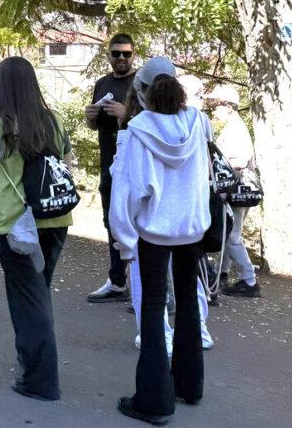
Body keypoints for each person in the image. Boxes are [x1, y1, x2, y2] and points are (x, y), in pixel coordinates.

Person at [109, 57, 212, 424]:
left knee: (153, 308)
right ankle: (189, 385)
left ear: (142, 93)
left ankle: (154, 401)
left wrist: (125, 242)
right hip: (192, 227)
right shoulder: (199, 122)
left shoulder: (137, 131)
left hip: (154, 230)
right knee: (187, 302)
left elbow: (128, 190)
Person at [0, 56, 73, 401]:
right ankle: (30, 359)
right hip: (54, 216)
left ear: (2, 85)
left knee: (27, 297)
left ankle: (40, 380)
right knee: (39, 290)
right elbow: (66, 165)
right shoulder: (54, 120)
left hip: (14, 221)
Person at [84, 33, 137, 303]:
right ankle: (117, 282)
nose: (121, 58)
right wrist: (90, 118)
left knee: (137, 224)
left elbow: (152, 124)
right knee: (112, 222)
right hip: (109, 164)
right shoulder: (102, 83)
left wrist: (125, 115)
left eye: (126, 54)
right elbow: (94, 126)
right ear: (109, 56)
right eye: (116, 53)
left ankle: (145, 288)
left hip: (135, 167)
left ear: (134, 55)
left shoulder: (141, 84)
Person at [206, 85, 262, 298]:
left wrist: (219, 166)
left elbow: (240, 160)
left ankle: (249, 280)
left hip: (235, 188)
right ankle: (221, 273)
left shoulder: (235, 129)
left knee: (231, 235)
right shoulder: (234, 127)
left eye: (216, 105)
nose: (213, 110)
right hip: (237, 189)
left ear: (228, 107)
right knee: (229, 232)